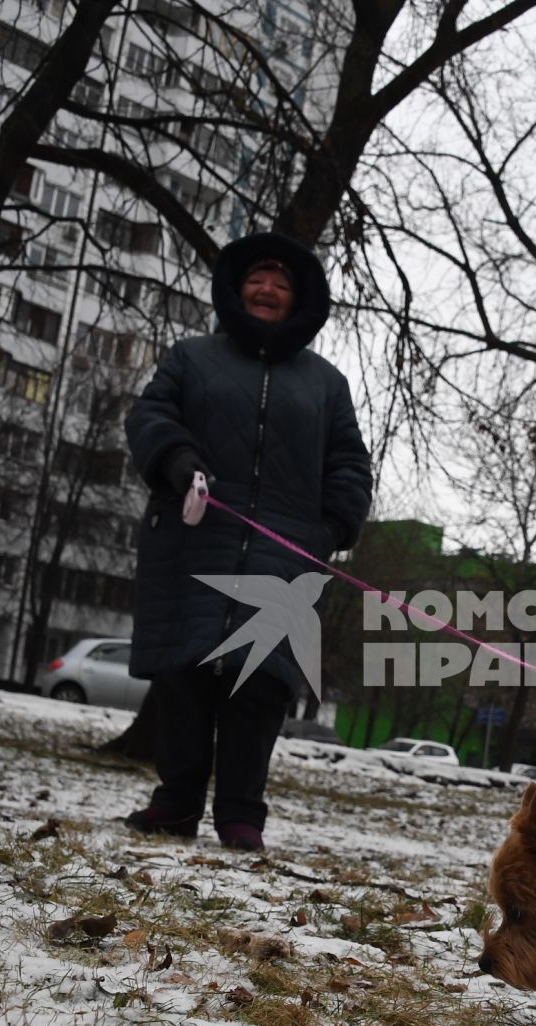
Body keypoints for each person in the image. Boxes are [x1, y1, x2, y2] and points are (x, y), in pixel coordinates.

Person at [121, 231, 372, 850]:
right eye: (257, 280)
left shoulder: (325, 384)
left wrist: (330, 529)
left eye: (281, 284)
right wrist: (177, 460)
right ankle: (175, 803)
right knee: (185, 674)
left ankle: (240, 815)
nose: (266, 290)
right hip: (194, 540)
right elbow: (151, 416)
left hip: (283, 556)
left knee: (261, 684)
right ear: (237, 290)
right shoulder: (191, 358)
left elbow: (349, 464)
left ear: (298, 299)